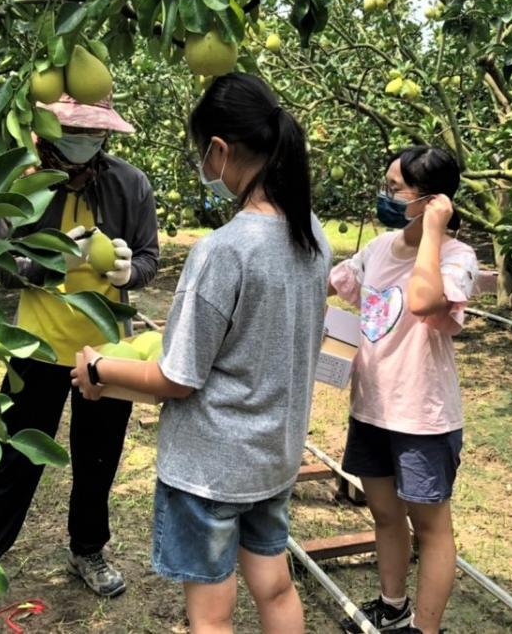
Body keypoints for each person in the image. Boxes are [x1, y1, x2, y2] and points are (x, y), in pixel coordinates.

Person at [70, 73, 331, 634]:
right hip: (273, 456)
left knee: (210, 617)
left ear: (219, 149)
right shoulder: (311, 235)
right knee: (276, 585)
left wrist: (97, 367)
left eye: (202, 155)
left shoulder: (223, 251)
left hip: (211, 471)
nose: (204, 170)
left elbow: (178, 378)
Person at [0, 93, 160, 600]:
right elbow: (2, 267)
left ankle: (88, 549)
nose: (83, 140)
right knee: (16, 460)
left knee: (98, 459)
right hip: (36, 346)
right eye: (72, 129)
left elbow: (149, 258)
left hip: (107, 351)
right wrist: (54, 260)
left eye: (93, 131)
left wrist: (127, 271)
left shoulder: (130, 184)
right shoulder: (21, 185)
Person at [330, 146, 478, 634]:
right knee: (386, 514)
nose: (385, 197)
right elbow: (331, 283)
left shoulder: (458, 258)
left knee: (432, 529)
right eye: (387, 186)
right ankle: (393, 608)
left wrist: (434, 230)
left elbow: (421, 300)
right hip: (371, 407)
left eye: (396, 190)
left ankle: (425, 629)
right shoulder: (377, 247)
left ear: (434, 200)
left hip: (422, 417)